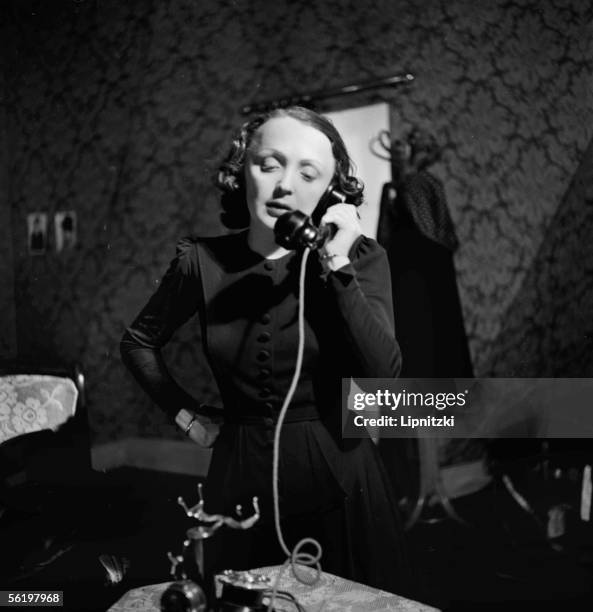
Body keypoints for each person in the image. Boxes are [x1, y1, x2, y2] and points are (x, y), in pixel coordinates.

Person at [120, 106, 412, 595]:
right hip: (238, 480)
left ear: (331, 190)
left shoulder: (359, 258)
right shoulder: (202, 261)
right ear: (242, 172)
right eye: (269, 163)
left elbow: (384, 377)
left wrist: (336, 261)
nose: (285, 185)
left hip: (339, 480)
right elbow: (138, 343)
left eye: (308, 172)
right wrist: (187, 417)